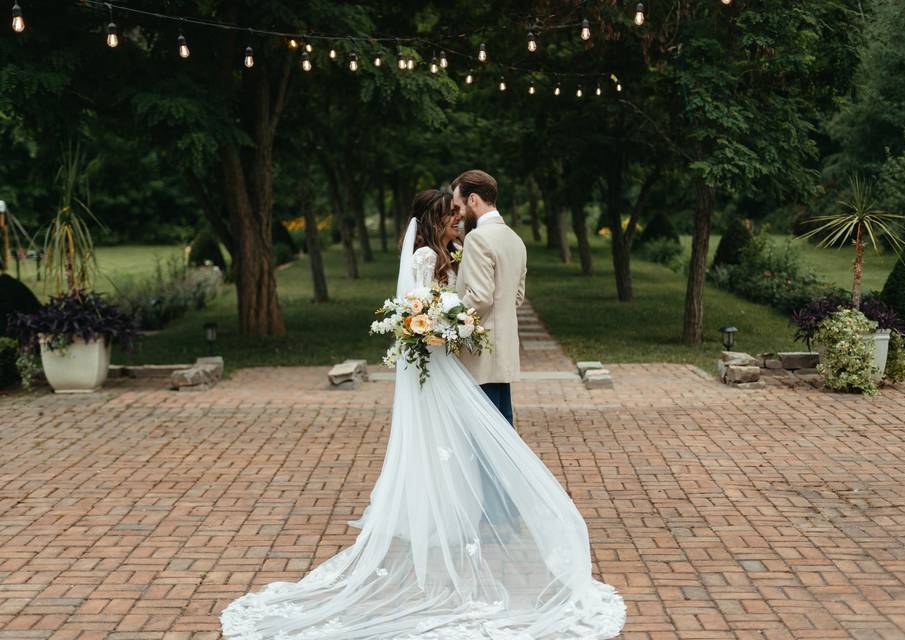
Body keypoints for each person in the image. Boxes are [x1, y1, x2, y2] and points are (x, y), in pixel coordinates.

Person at [220, 187, 625, 640]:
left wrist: (447, 323)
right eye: (450, 214)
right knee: (465, 436)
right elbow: (427, 302)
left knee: (462, 438)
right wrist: (443, 324)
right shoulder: (428, 255)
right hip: (440, 358)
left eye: (457, 212)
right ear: (434, 218)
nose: (457, 219)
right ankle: (456, 518)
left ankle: (464, 516)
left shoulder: (451, 249)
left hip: (447, 356)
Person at [452, 170, 526, 427]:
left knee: (486, 432)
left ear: (473, 199)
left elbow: (481, 297)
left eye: (458, 206)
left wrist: (448, 318)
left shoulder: (477, 238)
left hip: (481, 351)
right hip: (504, 349)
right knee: (503, 427)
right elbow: (517, 297)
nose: (458, 214)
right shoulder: (515, 239)